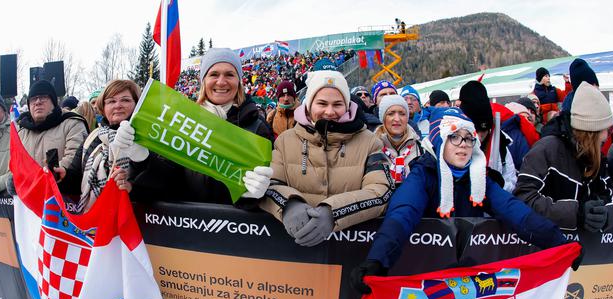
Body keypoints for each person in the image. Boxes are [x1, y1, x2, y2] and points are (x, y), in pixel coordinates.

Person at [350, 108, 569, 293]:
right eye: (454, 136)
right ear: (439, 141)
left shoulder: (479, 178)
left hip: (464, 278)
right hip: (424, 273)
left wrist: (558, 241)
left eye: (468, 138)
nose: (463, 144)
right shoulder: (423, 174)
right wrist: (378, 260)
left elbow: (515, 212)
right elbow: (402, 214)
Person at [261, 69, 394, 247]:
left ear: (347, 106)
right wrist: (288, 204)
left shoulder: (370, 141)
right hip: (293, 248)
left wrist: (334, 212)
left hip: (349, 249)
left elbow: (381, 191)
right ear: (309, 105)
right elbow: (269, 183)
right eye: (322, 103)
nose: (329, 112)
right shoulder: (285, 141)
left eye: (337, 104)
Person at [131, 48, 274, 204]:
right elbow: (165, 179)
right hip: (186, 223)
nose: (221, 81)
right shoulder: (184, 122)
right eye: (213, 74)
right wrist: (141, 158)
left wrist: (252, 196)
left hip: (235, 225)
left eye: (229, 74)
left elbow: (269, 196)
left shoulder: (256, 127)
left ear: (238, 81)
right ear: (203, 81)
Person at [515, 83, 613, 232]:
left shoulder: (597, 156)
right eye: (605, 130)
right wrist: (575, 214)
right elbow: (523, 198)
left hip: (588, 250)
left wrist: (604, 214)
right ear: (590, 132)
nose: (606, 136)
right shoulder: (546, 150)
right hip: (549, 247)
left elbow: (609, 193)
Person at [62, 80, 150, 212]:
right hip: (95, 219)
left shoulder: (149, 137)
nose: (118, 105)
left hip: (137, 220)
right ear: (103, 107)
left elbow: (165, 180)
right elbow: (76, 180)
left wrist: (131, 187)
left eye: (125, 100)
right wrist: (63, 176)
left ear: (136, 104)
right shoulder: (92, 138)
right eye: (111, 101)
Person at [17, 80, 89, 184]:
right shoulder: (21, 132)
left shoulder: (73, 124)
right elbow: (15, 164)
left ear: (54, 102)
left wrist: (43, 179)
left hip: (61, 193)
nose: (37, 102)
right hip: (27, 195)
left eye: (43, 97)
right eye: (33, 99)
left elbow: (73, 160)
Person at [458, 81, 518, 192]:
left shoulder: (501, 144)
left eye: (484, 131)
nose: (480, 137)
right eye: (476, 131)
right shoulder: (454, 145)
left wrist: (501, 184)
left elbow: (513, 184)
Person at [374, 94, 431, 184]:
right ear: (383, 118)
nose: (397, 119)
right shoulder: (373, 148)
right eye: (391, 113)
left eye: (402, 114)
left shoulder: (421, 148)